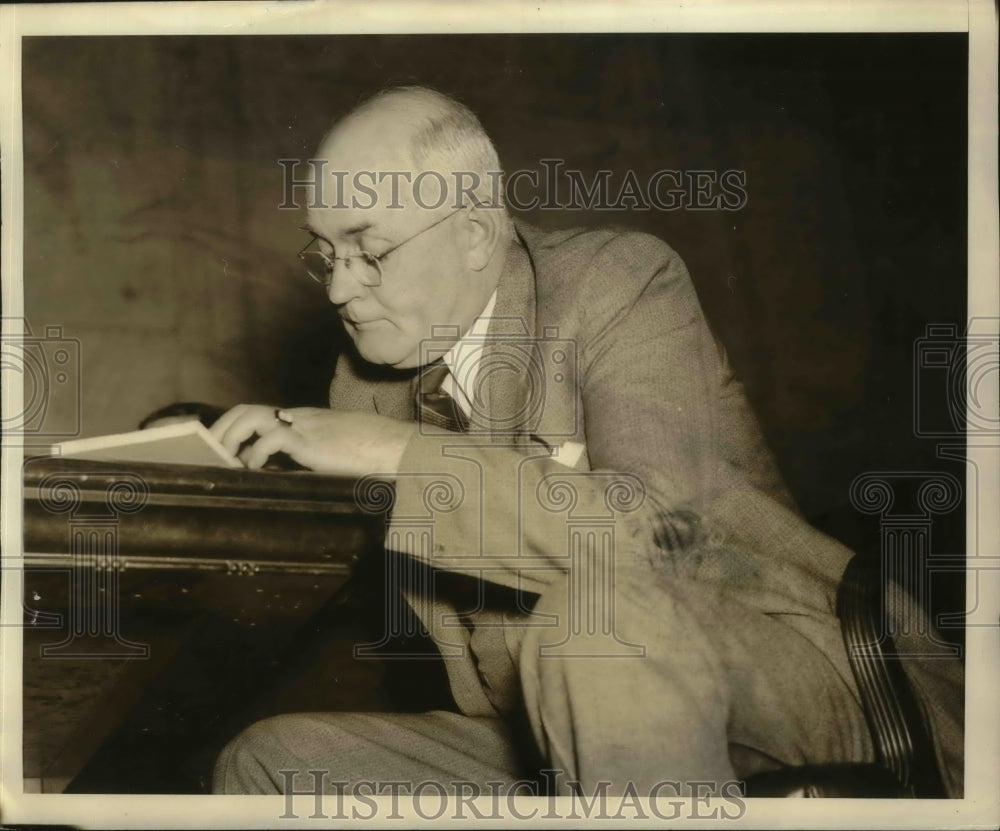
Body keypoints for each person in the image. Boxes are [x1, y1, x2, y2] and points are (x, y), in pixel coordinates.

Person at [209, 86, 962, 797]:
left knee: (590, 632)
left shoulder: (615, 283)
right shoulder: (366, 383)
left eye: (368, 250)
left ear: (474, 233)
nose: (340, 289)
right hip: (544, 724)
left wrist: (392, 454)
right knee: (274, 762)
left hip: (785, 680)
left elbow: (664, 532)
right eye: (324, 254)